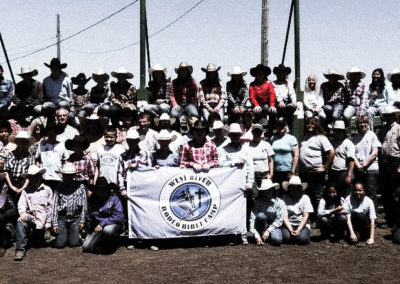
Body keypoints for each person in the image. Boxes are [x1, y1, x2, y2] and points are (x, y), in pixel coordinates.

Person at [218, 123, 254, 244]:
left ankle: (243, 233)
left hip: (242, 183)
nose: (235, 137)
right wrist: (234, 162)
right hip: (229, 184)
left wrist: (249, 183)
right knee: (229, 209)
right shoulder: (223, 149)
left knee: (243, 209)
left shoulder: (245, 149)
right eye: (233, 135)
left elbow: (250, 167)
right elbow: (220, 164)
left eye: (237, 135)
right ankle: (231, 234)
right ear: (230, 135)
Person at [14, 165, 52, 261]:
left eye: (36, 176)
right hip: (32, 219)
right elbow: (21, 205)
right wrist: (23, 214)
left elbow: (50, 207)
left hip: (43, 223)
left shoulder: (47, 190)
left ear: (40, 177)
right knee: (21, 221)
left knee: (38, 242)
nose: (34, 179)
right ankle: (20, 249)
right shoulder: (26, 191)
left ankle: (40, 235)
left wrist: (48, 223)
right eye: (31, 177)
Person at [299, 117, 335, 213]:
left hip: (315, 172)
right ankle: (309, 216)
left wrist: (325, 167)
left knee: (317, 195)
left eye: (312, 124)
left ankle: (319, 215)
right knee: (307, 194)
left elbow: (332, 153)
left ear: (316, 125)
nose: (309, 126)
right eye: (308, 124)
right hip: (304, 172)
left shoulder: (321, 138)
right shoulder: (305, 138)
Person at [82, 177, 124, 253]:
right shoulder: (92, 200)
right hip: (98, 227)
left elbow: (119, 216)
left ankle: (112, 242)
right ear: (96, 190)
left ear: (107, 189)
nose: (101, 191)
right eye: (99, 189)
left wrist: (103, 223)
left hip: (113, 224)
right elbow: (90, 217)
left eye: (103, 189)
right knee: (86, 247)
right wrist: (89, 231)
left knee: (108, 230)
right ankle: (101, 242)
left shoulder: (114, 198)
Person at [51, 163, 87, 248]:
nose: (68, 177)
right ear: (63, 175)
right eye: (66, 175)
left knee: (74, 243)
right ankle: (64, 235)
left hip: (75, 217)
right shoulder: (59, 187)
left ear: (74, 175)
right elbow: (54, 205)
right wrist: (55, 223)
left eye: (70, 175)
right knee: (60, 244)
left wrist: (82, 220)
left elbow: (84, 205)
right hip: (62, 217)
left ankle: (76, 235)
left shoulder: (80, 186)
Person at [352, 114, 381, 213]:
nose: (363, 125)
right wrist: (358, 165)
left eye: (365, 122)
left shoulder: (372, 135)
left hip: (371, 168)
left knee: (371, 193)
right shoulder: (355, 137)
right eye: (360, 123)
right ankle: (363, 213)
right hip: (359, 169)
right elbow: (353, 154)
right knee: (361, 193)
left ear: (368, 124)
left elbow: (374, 152)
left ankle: (374, 215)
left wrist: (364, 165)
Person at [378, 106, 400, 227]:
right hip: (384, 161)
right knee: (386, 192)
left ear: (394, 116)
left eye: (390, 115)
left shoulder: (398, 129)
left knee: (396, 192)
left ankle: (397, 219)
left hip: (395, 161)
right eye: (386, 115)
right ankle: (389, 219)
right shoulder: (382, 130)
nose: (388, 117)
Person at [117, 129, 152, 199]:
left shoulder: (145, 154)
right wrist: (122, 188)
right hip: (127, 185)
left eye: (134, 140)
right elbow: (120, 173)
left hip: (142, 185)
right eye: (130, 140)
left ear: (138, 141)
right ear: (127, 141)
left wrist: (138, 166)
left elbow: (149, 170)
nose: (132, 142)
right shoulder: (123, 156)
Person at [249, 179, 285, 246]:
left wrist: (268, 231)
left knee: (277, 240)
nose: (267, 192)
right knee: (260, 215)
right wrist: (256, 236)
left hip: (274, 227)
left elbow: (279, 220)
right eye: (264, 191)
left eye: (269, 190)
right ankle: (260, 235)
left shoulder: (279, 202)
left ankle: (267, 235)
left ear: (272, 190)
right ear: (262, 192)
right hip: (260, 226)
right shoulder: (257, 202)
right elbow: (252, 219)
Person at [5, 130, 36, 205]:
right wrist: (11, 186)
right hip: (11, 182)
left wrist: (23, 188)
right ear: (16, 142)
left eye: (24, 141)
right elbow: (6, 172)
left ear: (27, 143)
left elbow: (30, 174)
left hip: (24, 183)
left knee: (22, 205)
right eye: (20, 141)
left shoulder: (30, 157)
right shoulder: (11, 154)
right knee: (11, 206)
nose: (22, 143)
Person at [36, 122, 68, 190]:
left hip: (58, 177)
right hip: (44, 177)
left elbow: (65, 162)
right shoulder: (41, 145)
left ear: (57, 132)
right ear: (46, 132)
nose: (51, 133)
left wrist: (64, 175)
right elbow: (37, 160)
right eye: (49, 131)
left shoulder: (62, 145)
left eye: (53, 131)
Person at [281, 176, 313, 245]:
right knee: (286, 238)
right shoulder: (285, 198)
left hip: (302, 224)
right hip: (289, 225)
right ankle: (293, 235)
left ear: (300, 188)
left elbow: (305, 216)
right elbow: (284, 217)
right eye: (293, 187)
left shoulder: (305, 198)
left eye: (297, 187)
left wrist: (298, 230)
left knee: (303, 240)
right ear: (289, 188)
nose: (295, 190)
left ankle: (301, 234)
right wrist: (291, 230)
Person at [328, 120, 356, 198]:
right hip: (333, 172)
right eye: (336, 131)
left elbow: (351, 160)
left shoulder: (348, 143)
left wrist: (349, 175)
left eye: (340, 131)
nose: (338, 133)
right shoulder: (331, 143)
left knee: (347, 195)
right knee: (335, 194)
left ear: (344, 132)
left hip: (344, 172)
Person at [270, 118, 299, 191]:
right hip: (276, 171)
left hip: (287, 171)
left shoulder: (291, 138)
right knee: (277, 191)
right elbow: (270, 155)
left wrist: (292, 171)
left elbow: (296, 155)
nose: (280, 127)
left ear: (286, 126)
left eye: (282, 125)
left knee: (287, 191)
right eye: (278, 125)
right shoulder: (273, 138)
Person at [248, 64, 277, 132]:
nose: (260, 75)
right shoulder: (252, 84)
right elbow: (252, 96)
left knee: (273, 112)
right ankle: (255, 131)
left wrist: (272, 106)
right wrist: (256, 105)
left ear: (264, 74)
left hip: (266, 105)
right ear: (255, 75)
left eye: (262, 73)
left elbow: (271, 95)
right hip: (256, 105)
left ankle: (271, 131)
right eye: (258, 73)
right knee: (255, 113)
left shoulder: (269, 84)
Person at [0, 155, 18, 256]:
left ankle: (2, 244)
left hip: (8, 208)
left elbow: (12, 186)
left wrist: (18, 189)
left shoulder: (5, 175)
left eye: (2, 163)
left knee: (0, 217)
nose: (1, 165)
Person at [272, 64, 297, 129]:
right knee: (279, 110)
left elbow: (292, 92)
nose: (281, 74)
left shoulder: (289, 83)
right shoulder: (273, 83)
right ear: (277, 74)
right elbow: (276, 93)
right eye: (280, 72)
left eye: (283, 72)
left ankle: (289, 128)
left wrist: (294, 100)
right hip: (278, 103)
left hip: (287, 102)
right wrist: (280, 101)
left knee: (290, 108)